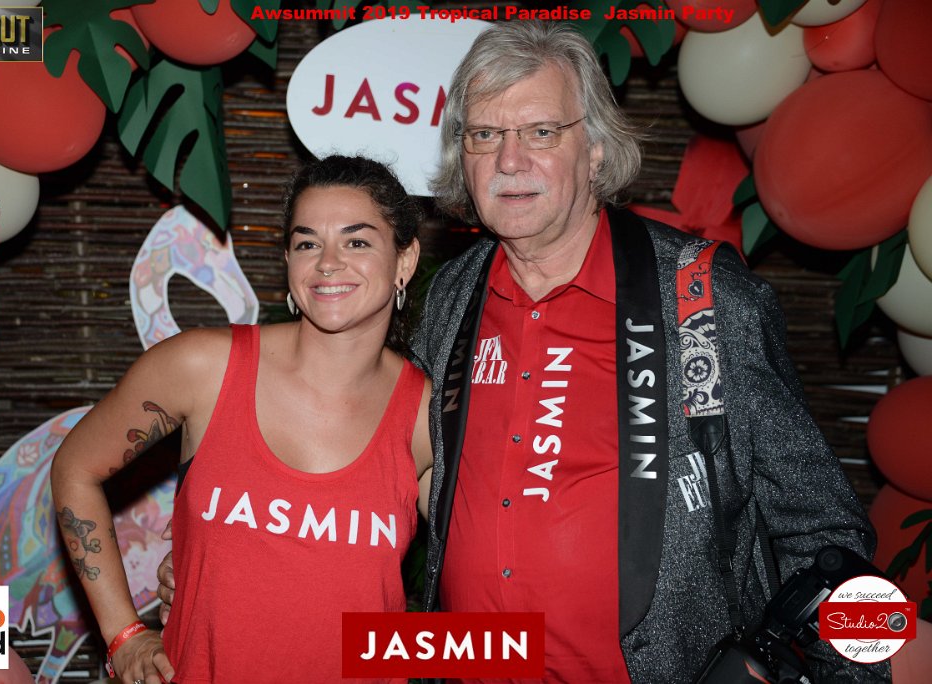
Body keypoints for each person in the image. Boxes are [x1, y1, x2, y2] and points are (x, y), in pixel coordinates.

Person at [159, 21, 889, 682]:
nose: (510, 160)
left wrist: (849, 674)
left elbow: (827, 530)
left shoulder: (699, 296)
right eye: (484, 135)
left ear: (594, 149)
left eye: (541, 131)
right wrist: (224, 559)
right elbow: (382, 474)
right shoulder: (454, 296)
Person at [52, 155, 433, 684]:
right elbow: (75, 467)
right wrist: (124, 635)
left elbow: (495, 579)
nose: (328, 263)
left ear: (404, 260)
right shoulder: (203, 367)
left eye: (357, 242)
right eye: (307, 243)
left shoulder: (427, 418)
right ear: (288, 260)